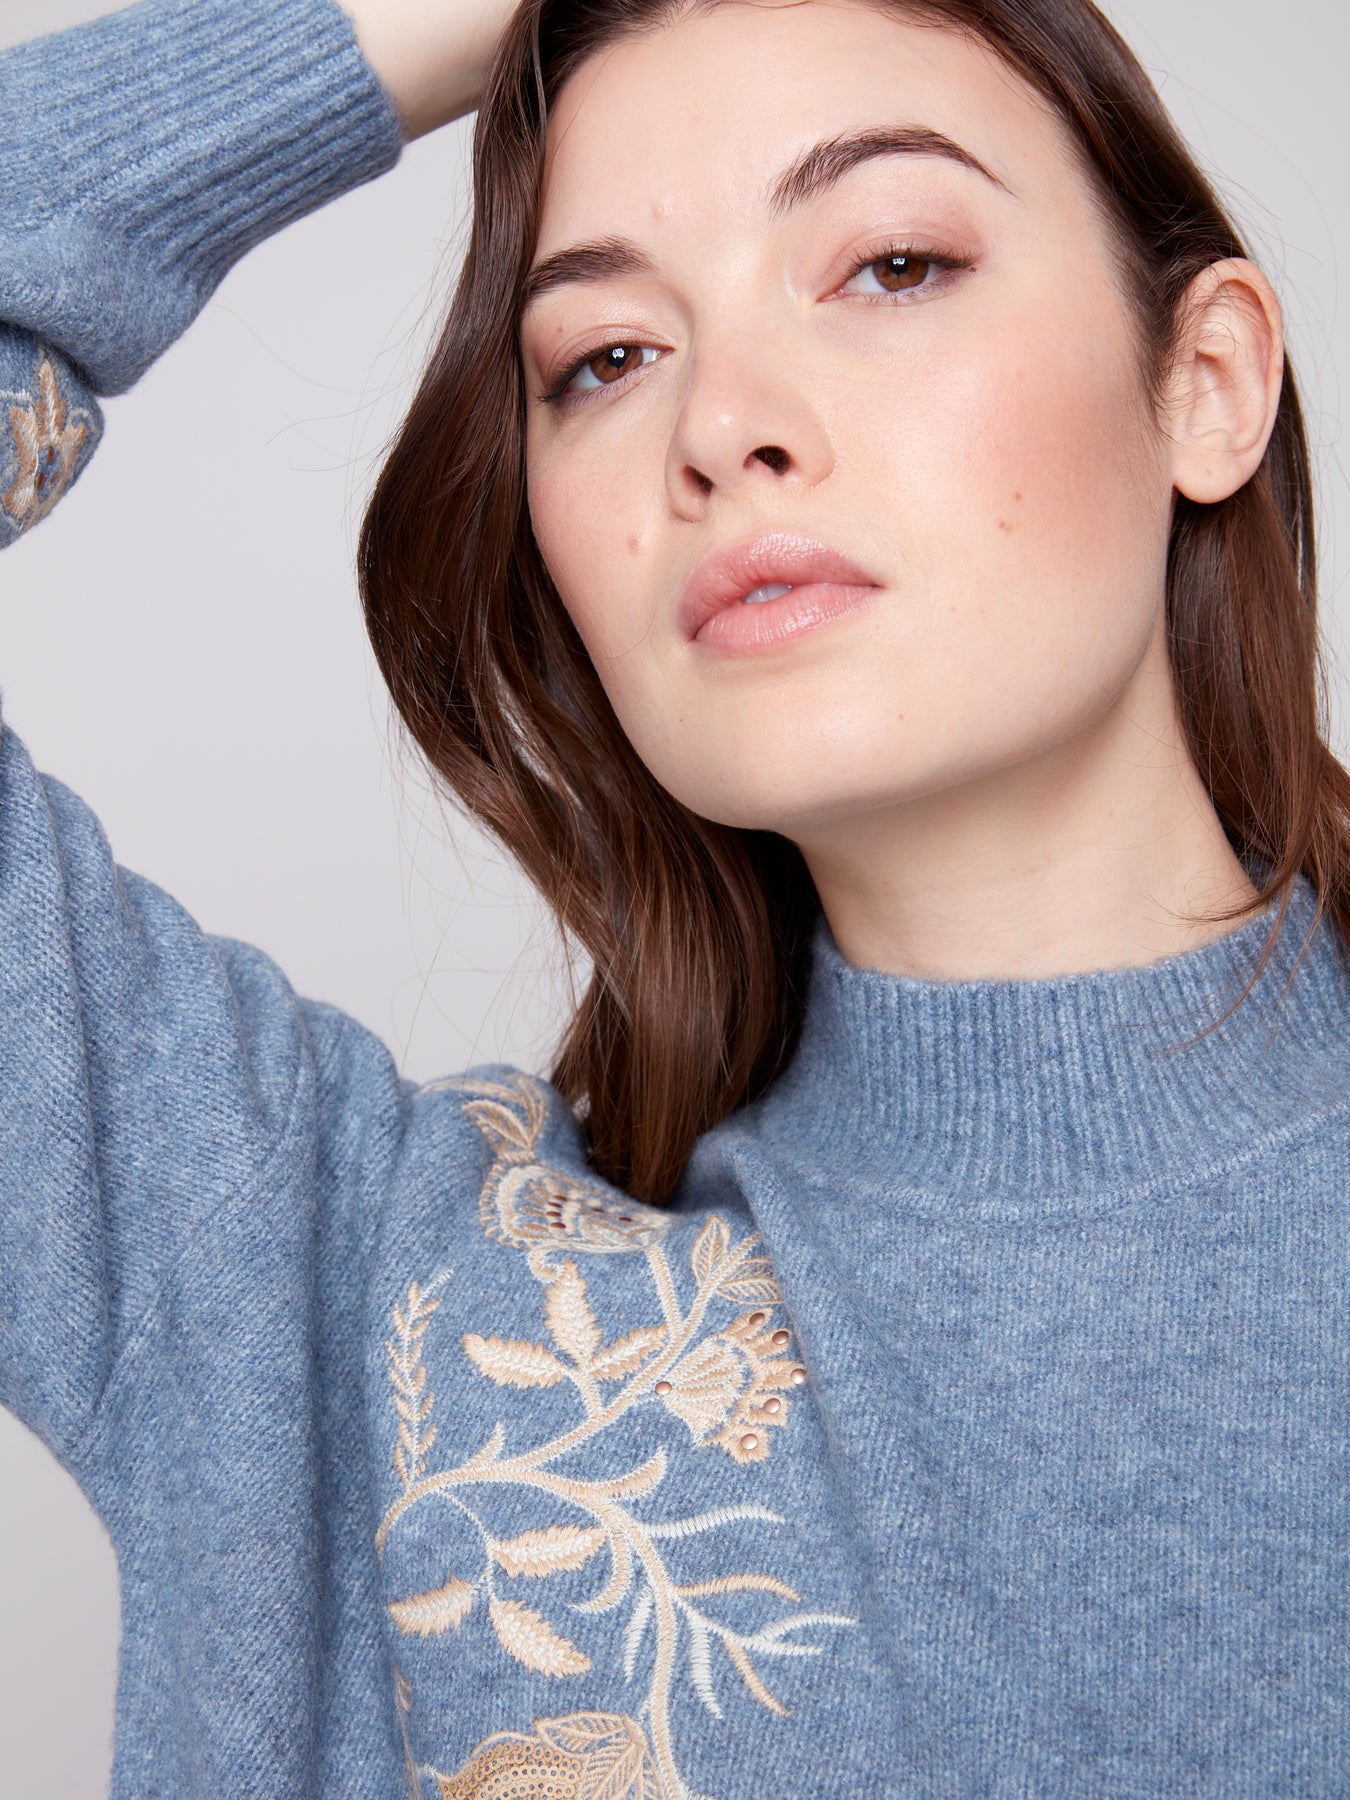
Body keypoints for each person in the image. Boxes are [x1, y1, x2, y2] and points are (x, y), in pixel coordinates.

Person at [0, 0, 1345, 1794]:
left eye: (889, 264)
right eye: (606, 358)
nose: (718, 427)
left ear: (1206, 383)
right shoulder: (349, 1299)